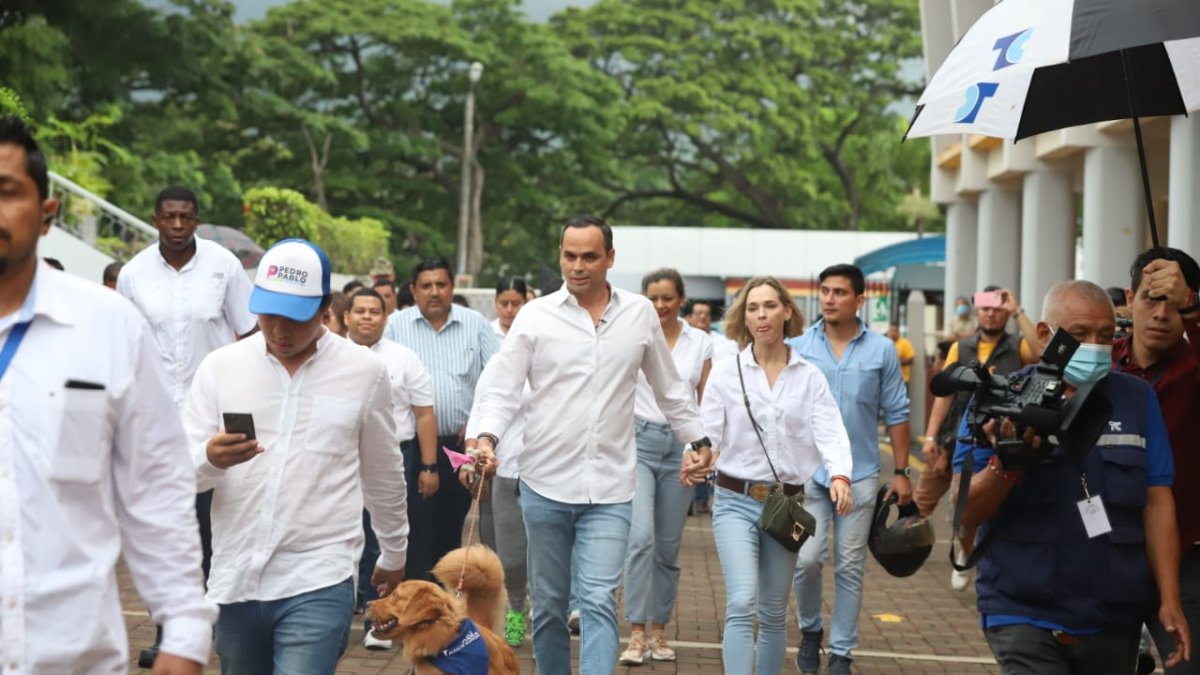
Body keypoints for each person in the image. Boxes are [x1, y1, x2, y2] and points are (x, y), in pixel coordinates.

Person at [0, 114, 217, 673]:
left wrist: (185, 633)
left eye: (5, 192)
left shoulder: (107, 326)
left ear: (47, 214)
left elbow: (154, 489)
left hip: (71, 652)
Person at [469, 214, 712, 675]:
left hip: (611, 486)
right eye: (569, 255)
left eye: (589, 256)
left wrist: (696, 437)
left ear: (610, 258)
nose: (578, 266)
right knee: (550, 604)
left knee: (599, 598)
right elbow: (501, 387)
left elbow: (669, 387)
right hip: (543, 484)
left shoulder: (639, 313)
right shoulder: (535, 316)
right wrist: (485, 437)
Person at [183, 239, 410, 673]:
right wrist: (210, 458)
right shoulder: (221, 367)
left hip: (319, 574)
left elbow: (383, 472)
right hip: (235, 576)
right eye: (268, 315)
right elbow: (176, 474)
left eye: (295, 318)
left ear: (326, 307)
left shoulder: (363, 372)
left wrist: (394, 551)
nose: (279, 331)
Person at [955, 279, 1190, 675]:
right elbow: (964, 512)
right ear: (1046, 335)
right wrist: (1008, 463)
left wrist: (1170, 598)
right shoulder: (1000, 398)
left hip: (1113, 613)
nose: (1096, 346)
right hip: (1023, 610)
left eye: (1106, 334)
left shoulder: (1135, 398)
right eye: (1080, 335)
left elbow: (1157, 501)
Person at [117, 184, 257, 665]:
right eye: (169, 218)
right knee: (165, 531)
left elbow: (249, 333)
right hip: (154, 422)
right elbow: (124, 347)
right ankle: (169, 632)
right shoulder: (134, 274)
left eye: (187, 218)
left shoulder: (224, 267)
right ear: (155, 218)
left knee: (217, 528)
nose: (178, 226)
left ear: (197, 218)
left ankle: (223, 630)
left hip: (215, 419)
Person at [698, 276, 853, 675]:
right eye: (752, 308)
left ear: (787, 311)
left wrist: (839, 476)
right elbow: (708, 431)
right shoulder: (727, 372)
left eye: (769, 305)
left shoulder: (809, 376)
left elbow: (831, 430)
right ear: (743, 318)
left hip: (786, 505)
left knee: (771, 611)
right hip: (735, 500)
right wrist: (696, 457)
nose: (761, 314)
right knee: (741, 600)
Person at [787, 264, 912, 675]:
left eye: (839, 292)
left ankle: (841, 651)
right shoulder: (799, 346)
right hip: (808, 474)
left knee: (850, 565)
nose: (829, 299)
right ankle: (810, 630)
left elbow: (896, 412)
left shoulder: (882, 350)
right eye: (824, 290)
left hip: (859, 474)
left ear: (860, 300)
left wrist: (902, 472)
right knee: (806, 559)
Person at [916, 284, 1042, 591]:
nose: (991, 313)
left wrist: (1018, 311)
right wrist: (931, 437)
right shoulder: (961, 347)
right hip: (965, 437)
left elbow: (1042, 353)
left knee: (1001, 504)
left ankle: (996, 564)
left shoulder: (1018, 345)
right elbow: (945, 396)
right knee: (961, 507)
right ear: (977, 310)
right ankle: (966, 549)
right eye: (986, 307)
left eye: (998, 308)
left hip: (1007, 437)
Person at [384, 258, 500, 581]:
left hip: (459, 446)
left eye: (441, 285)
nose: (434, 292)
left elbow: (497, 378)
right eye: (426, 286)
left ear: (452, 287)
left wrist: (478, 421)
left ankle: (442, 610)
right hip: (410, 445)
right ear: (413, 290)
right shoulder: (395, 326)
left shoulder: (475, 324)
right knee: (413, 529)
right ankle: (414, 606)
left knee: (451, 532)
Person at [619, 268, 713, 665]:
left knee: (668, 547)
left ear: (681, 299)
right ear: (644, 298)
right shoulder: (634, 333)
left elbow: (706, 402)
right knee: (640, 538)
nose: (660, 306)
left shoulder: (702, 343)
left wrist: (703, 448)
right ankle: (637, 632)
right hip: (637, 442)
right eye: (653, 298)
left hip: (681, 448)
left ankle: (659, 630)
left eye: (667, 299)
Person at [1115, 248, 1200, 675]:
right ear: (1130, 298)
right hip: (1104, 556)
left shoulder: (1195, 366)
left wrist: (1197, 309)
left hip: (1186, 558)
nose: (1162, 314)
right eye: (1151, 298)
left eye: (1175, 303)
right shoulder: (1099, 361)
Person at [343, 287, 438, 649]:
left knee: (385, 537)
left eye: (374, 312)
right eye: (360, 311)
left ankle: (380, 620)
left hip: (396, 454)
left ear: (386, 317)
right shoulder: (328, 355)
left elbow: (424, 412)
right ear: (347, 316)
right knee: (354, 535)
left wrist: (429, 465)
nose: (367, 317)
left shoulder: (403, 358)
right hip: (343, 455)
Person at [469, 275, 533, 647]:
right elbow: (482, 408)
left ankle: (552, 612)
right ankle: (515, 610)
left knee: (551, 556)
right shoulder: (499, 360)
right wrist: (474, 451)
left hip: (552, 472)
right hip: (508, 469)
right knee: (510, 557)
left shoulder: (556, 358)